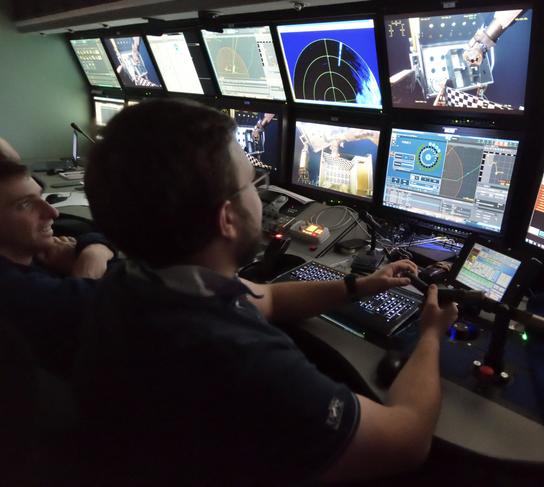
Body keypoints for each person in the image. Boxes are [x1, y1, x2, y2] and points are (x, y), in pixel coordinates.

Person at [78, 99, 458, 485]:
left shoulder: (132, 282)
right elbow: (408, 441)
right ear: (226, 218)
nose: (260, 196)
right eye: (253, 183)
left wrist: (361, 285)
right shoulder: (243, 360)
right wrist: (430, 335)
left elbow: (269, 298)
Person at [0, 138, 115, 376]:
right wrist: (88, 263)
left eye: (40, 197)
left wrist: (92, 250)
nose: (52, 211)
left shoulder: (31, 247)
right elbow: (87, 306)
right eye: (24, 205)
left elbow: (94, 234)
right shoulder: (14, 288)